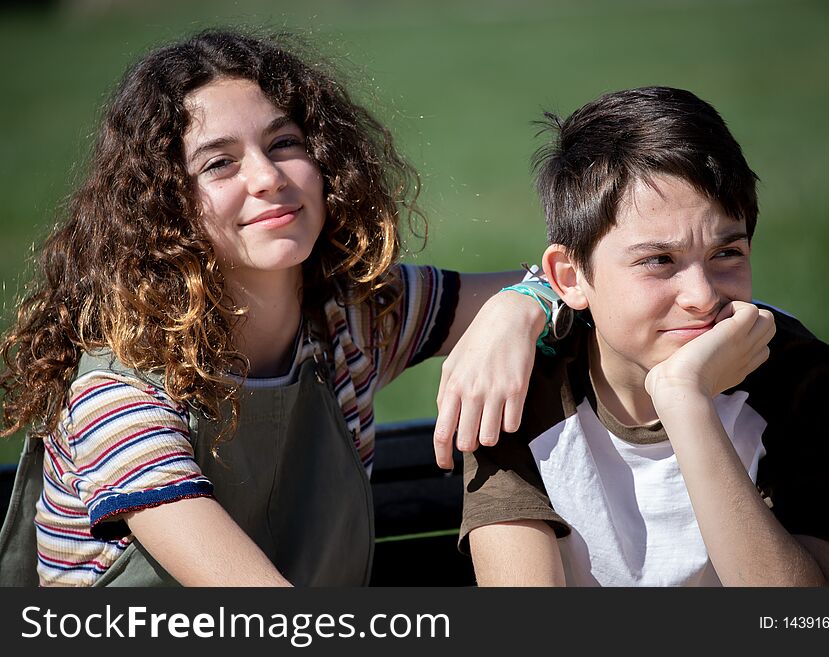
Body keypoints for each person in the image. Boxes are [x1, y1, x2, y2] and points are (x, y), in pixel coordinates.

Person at [0, 28, 543, 587]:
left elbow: (581, 284)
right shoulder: (119, 396)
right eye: (219, 164)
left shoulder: (354, 318)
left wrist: (518, 308)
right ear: (164, 208)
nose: (268, 178)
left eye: (284, 142)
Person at [444, 86, 829, 586]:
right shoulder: (517, 387)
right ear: (571, 277)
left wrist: (685, 400)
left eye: (727, 253)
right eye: (659, 261)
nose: (702, 297)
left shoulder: (798, 376)